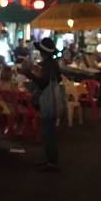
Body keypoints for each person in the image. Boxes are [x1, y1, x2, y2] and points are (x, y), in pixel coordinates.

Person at [21, 37, 63, 172]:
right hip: (52, 100)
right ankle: (50, 159)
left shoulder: (48, 65)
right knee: (49, 131)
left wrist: (29, 73)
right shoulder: (52, 64)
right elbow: (57, 78)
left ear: (42, 52)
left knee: (48, 131)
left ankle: (52, 161)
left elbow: (42, 83)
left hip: (47, 101)